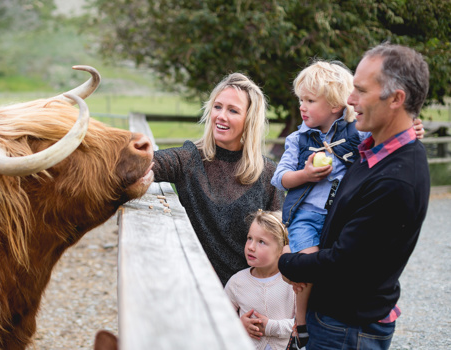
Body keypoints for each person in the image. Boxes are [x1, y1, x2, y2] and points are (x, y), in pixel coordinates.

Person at [278, 43, 431, 350]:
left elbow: (345, 264)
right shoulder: (372, 152)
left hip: (347, 327)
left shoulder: (397, 179)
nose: (349, 100)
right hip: (337, 319)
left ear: (396, 99)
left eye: (360, 90)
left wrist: (287, 262)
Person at [152, 72, 284, 286]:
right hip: (198, 288)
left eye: (233, 110)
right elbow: (142, 164)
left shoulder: (267, 173)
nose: (221, 116)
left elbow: (280, 244)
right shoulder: (189, 159)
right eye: (217, 106)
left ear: (249, 119)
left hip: (249, 296)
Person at [224, 209, 295, 350]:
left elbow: (302, 325)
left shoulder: (292, 283)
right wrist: (239, 325)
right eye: (249, 238)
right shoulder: (237, 282)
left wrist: (269, 327)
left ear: (282, 248)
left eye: (261, 242)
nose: (250, 247)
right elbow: (220, 319)